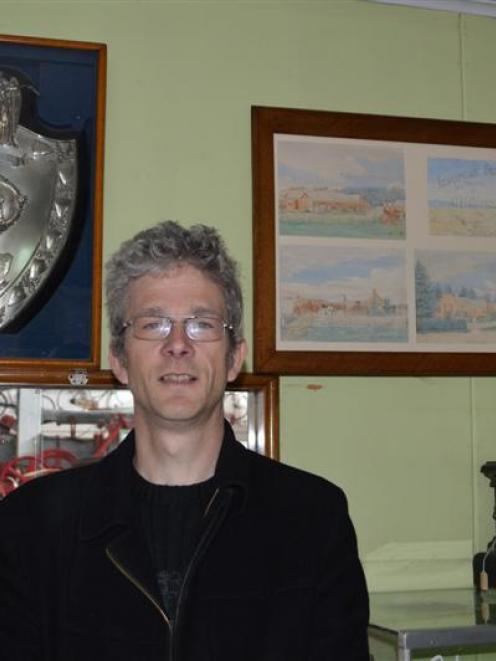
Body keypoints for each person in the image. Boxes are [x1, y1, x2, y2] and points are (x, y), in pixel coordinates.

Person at [0, 220, 369, 660]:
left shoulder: (313, 520)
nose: (178, 344)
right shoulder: (30, 525)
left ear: (235, 357)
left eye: (202, 324)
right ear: (118, 358)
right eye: (153, 324)